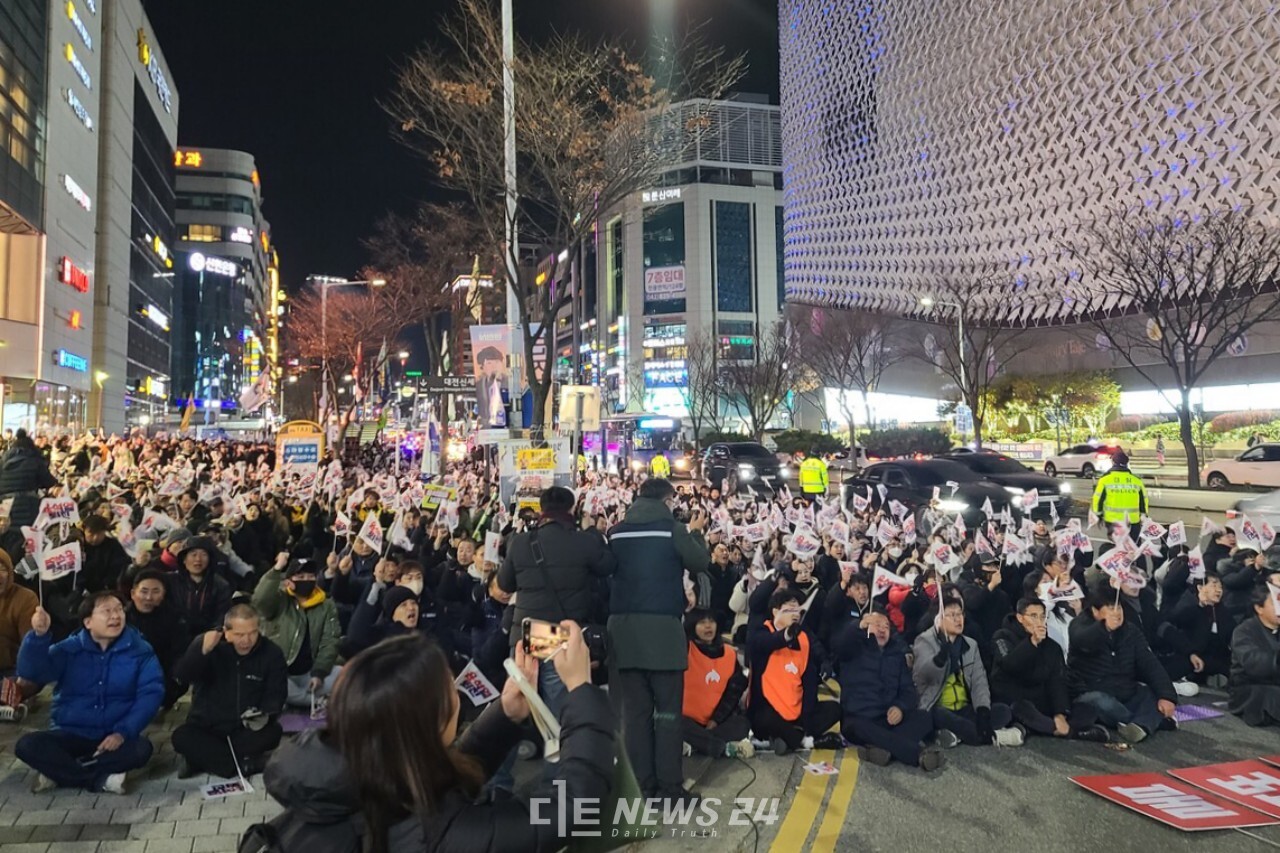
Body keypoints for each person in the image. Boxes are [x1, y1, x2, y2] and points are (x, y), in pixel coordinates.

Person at [257, 624, 615, 852]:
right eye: (449, 690)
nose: (457, 696)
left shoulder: (344, 782)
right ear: (425, 723)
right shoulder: (436, 834)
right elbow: (569, 810)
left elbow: (434, 780)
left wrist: (505, 715)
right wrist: (581, 690)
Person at [607, 477, 708, 803]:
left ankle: (642, 786)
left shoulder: (617, 532)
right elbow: (700, 562)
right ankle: (670, 788)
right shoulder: (672, 530)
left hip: (623, 633)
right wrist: (695, 532)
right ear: (667, 500)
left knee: (635, 715)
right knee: (666, 714)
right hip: (662, 634)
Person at [14, 594, 163, 794]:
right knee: (27, 745)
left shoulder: (140, 651)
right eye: (106, 611)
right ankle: (99, 779)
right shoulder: (70, 649)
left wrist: (122, 732)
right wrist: (39, 636)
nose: (115, 616)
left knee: (141, 750)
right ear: (88, 622)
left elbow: (150, 694)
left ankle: (61, 772)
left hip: (113, 735)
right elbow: (31, 672)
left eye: (119, 609)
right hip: (69, 732)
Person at [497, 485, 614, 718]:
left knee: (520, 701)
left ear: (541, 510)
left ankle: (525, 747)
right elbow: (608, 566)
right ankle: (559, 752)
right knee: (557, 707)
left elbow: (505, 584)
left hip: (524, 631)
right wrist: (591, 531)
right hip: (559, 632)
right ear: (572, 509)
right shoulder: (582, 541)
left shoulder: (520, 542)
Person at [172, 603, 287, 779]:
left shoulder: (272, 653)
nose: (247, 641)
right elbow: (182, 676)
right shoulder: (211, 647)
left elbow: (277, 694)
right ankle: (247, 765)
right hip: (207, 726)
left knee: (274, 732)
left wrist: (264, 713)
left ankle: (200, 760)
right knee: (181, 737)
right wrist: (202, 651)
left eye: (253, 633)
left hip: (244, 728)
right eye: (240, 635)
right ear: (226, 632)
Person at [835, 610, 944, 770]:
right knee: (859, 727)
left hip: (887, 720)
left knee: (925, 716)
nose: (882, 629)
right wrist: (858, 626)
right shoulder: (854, 649)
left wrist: (900, 707)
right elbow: (839, 644)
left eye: (886, 626)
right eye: (877, 624)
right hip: (860, 719)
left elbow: (908, 691)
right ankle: (918, 754)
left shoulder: (897, 655)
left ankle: (879, 750)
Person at [912, 596, 1024, 748]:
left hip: (964, 707)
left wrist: (983, 711)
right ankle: (997, 736)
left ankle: (953, 735)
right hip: (935, 707)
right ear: (938, 619)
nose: (958, 619)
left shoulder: (970, 644)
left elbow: (979, 681)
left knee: (1003, 711)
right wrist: (943, 652)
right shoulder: (924, 640)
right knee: (949, 719)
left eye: (960, 614)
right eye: (952, 615)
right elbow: (925, 673)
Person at [1068, 590, 1178, 744]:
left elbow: (1150, 664)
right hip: (1092, 691)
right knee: (1100, 702)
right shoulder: (1079, 625)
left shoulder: (1130, 631)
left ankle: (1139, 725)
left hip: (1126, 691)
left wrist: (1167, 695)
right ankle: (1146, 722)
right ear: (1095, 611)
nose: (1117, 613)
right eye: (1110, 608)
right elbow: (1082, 640)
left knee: (1149, 692)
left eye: (1119, 608)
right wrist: (1104, 628)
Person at [991, 599, 1106, 741]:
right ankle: (1074, 733)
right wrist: (1032, 643)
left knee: (1087, 710)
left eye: (1042, 616)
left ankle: (1047, 728)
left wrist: (1060, 714)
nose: (1039, 621)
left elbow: (1057, 682)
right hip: (1015, 696)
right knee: (1021, 708)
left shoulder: (1052, 646)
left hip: (1041, 700)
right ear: (1020, 618)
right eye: (1033, 616)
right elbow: (1010, 666)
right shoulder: (1002, 636)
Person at [748, 588, 845, 755]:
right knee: (763, 719)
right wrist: (785, 636)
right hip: (769, 710)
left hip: (796, 711)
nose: (796, 614)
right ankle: (804, 741)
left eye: (798, 610)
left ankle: (789, 738)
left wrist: (807, 723)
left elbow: (809, 684)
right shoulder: (761, 632)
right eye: (789, 610)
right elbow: (765, 642)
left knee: (834, 709)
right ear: (775, 612)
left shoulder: (804, 639)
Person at [253, 554, 342, 708]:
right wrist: (276, 569)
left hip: (309, 674)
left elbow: (330, 640)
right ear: (289, 581)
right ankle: (314, 702)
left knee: (342, 674)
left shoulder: (326, 605)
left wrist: (319, 673)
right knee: (276, 684)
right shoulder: (279, 601)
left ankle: (298, 700)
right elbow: (260, 600)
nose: (306, 580)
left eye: (310, 576)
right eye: (300, 576)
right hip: (281, 674)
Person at [681, 609, 752, 759]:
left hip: (716, 721)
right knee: (670, 721)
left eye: (711, 621)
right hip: (688, 719)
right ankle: (720, 747)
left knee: (742, 724)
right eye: (702, 622)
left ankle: (696, 743)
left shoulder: (729, 653)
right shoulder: (684, 649)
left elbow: (733, 694)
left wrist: (715, 719)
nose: (708, 626)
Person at [125, 569, 188, 709]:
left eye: (155, 591)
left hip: (160, 673)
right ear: (133, 594)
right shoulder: (121, 618)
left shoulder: (175, 618)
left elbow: (179, 653)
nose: (148, 597)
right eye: (144, 591)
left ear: (163, 594)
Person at [1228, 583, 1280, 727]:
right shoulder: (1244, 630)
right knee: (1269, 694)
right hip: (1250, 685)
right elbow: (1253, 663)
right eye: (1275, 603)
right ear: (1259, 608)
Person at [166, 536, 234, 643]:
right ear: (184, 559)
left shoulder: (221, 585)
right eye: (193, 554)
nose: (198, 559)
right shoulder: (170, 581)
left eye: (203, 555)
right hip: (174, 638)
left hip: (208, 640)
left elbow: (222, 617)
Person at [0, 551, 37, 720]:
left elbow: (30, 647)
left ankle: (14, 700)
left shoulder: (25, 598)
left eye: (2, 569)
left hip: (14, 669)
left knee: (23, 682)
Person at [0, 428, 58, 528]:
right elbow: (49, 481)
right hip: (28, 506)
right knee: (26, 535)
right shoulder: (34, 460)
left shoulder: (4, 460)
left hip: (5, 505)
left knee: (7, 534)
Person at [1090, 450, 1146, 538]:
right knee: (1133, 547)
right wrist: (1143, 515)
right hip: (1133, 521)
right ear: (1127, 463)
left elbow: (1097, 499)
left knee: (1117, 548)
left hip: (1113, 521)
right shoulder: (1137, 481)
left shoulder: (1105, 480)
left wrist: (1099, 515)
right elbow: (1143, 500)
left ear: (1113, 462)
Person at [474, 345, 508, 428]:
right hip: (486, 428)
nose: (494, 366)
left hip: (506, 425)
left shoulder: (512, 384)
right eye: (489, 363)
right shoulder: (478, 385)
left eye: (497, 362)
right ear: (483, 366)